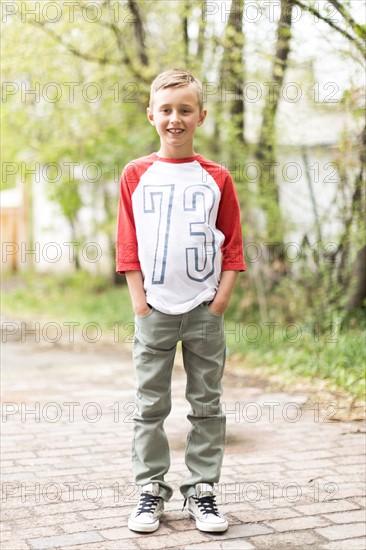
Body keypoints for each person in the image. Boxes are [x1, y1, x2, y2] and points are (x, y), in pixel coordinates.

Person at [116, 68, 245, 534]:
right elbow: (127, 242)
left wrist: (219, 302)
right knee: (150, 405)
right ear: (152, 115)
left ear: (201, 116)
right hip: (153, 309)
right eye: (166, 110)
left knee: (207, 403)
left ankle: (203, 491)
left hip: (203, 309)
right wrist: (139, 303)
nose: (176, 118)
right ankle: (150, 490)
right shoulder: (136, 174)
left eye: (185, 110)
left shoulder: (216, 177)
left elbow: (233, 243)